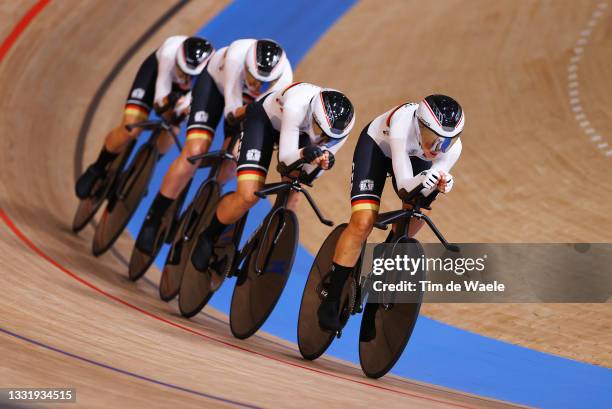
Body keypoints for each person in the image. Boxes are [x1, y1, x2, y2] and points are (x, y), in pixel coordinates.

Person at [317, 94, 465, 331]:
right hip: (377, 147)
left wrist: (442, 182)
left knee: (419, 209)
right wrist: (428, 178)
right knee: (363, 221)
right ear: (419, 125)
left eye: (446, 142)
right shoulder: (402, 125)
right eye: (431, 139)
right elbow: (406, 183)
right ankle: (332, 296)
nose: (437, 149)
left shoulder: (451, 148)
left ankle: (385, 262)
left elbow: (429, 182)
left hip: (413, 159)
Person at [135, 39, 293, 254]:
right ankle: (153, 219)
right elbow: (231, 113)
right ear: (246, 65)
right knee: (195, 151)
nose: (256, 85)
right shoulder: (236, 56)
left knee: (231, 164)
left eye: (263, 83)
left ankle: (198, 214)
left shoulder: (284, 79)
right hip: (217, 89)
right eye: (253, 78)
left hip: (252, 107)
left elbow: (260, 118)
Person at [190, 82, 356, 272]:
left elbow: (308, 177)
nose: (324, 140)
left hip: (300, 134)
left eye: (329, 139)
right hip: (264, 121)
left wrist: (322, 164)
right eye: (321, 133)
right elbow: (285, 161)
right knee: (248, 195)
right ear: (313, 116)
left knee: (293, 195)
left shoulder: (341, 128)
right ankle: (208, 236)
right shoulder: (297, 105)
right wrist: (305, 154)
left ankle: (260, 250)